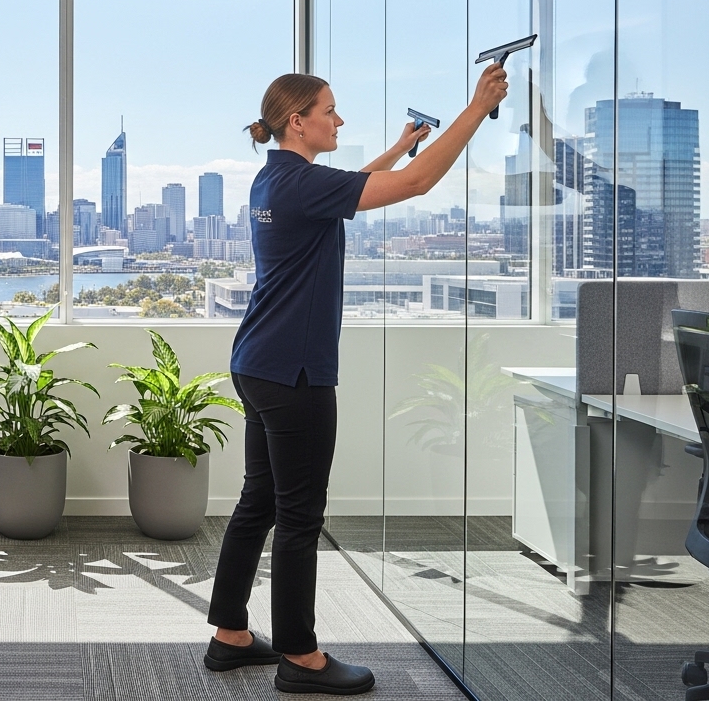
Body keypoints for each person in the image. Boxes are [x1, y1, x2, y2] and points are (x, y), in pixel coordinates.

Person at [201, 63, 510, 695]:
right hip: (296, 373)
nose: (339, 120)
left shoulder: (275, 179)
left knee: (258, 501)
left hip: (257, 362)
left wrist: (399, 147)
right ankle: (300, 656)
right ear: (298, 120)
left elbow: (361, 184)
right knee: (298, 515)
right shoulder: (298, 183)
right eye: (331, 111)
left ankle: (230, 635)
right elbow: (418, 185)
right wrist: (477, 106)